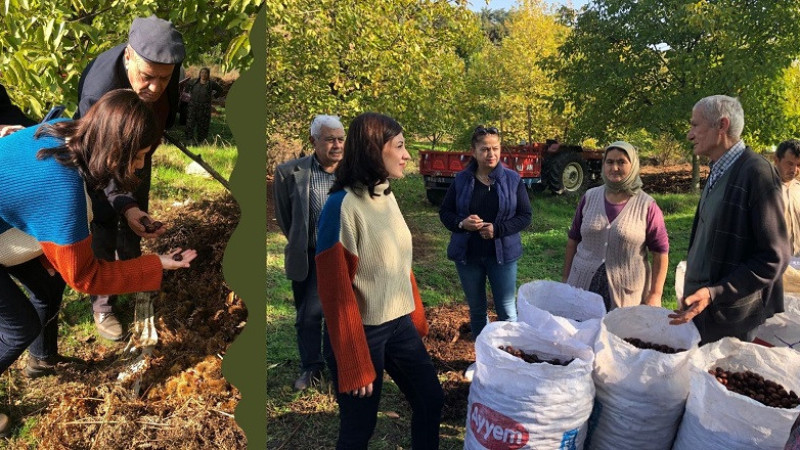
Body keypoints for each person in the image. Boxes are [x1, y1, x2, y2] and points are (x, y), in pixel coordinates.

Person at [0, 89, 196, 436]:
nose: (138, 166)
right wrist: (159, 264)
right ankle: (32, 348)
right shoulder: (61, 192)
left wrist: (128, 208)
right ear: (116, 150)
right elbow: (87, 278)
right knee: (18, 329)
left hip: (6, 223)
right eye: (138, 157)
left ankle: (42, 360)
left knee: (47, 285)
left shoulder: (66, 129)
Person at [315, 112, 443, 449]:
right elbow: (334, 290)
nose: (407, 155)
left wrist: (414, 315)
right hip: (362, 332)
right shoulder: (342, 206)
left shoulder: (384, 192)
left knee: (431, 400)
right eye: (400, 146)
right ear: (374, 149)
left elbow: (398, 259)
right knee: (359, 429)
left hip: (399, 325)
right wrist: (354, 359)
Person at [75, 15, 185, 341]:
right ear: (128, 56)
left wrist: (133, 205)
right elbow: (97, 165)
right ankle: (103, 305)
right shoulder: (97, 95)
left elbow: (168, 98)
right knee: (106, 221)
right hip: (103, 160)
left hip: (141, 146)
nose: (155, 87)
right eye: (147, 77)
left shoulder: (165, 62)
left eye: (163, 79)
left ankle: (134, 273)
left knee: (138, 215)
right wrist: (122, 203)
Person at [668, 95, 790, 344]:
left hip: (730, 319)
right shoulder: (719, 169)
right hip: (704, 310)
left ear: (721, 125)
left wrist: (715, 293)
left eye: (695, 125)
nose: (690, 135)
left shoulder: (756, 174)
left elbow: (774, 257)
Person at [273, 114, 345, 391]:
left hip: (346, 258)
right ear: (313, 141)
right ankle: (312, 369)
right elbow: (286, 219)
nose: (337, 145)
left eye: (340, 139)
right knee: (309, 316)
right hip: (311, 257)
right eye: (330, 140)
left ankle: (341, 365)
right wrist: (304, 240)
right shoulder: (289, 173)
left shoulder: (355, 174)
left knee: (344, 314)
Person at [439, 126, 532, 339]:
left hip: (503, 256)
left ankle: (510, 354)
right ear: (474, 151)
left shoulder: (512, 179)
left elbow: (525, 215)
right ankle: (484, 354)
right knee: (477, 311)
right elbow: (445, 212)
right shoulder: (462, 179)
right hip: (468, 255)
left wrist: (498, 229)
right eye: (485, 149)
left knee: (507, 311)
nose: (491, 154)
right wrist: (462, 223)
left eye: (495, 148)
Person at [562, 141, 669, 311]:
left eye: (621, 162)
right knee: (580, 335)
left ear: (633, 165)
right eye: (609, 162)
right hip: (581, 287)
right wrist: (566, 279)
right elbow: (573, 240)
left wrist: (655, 294)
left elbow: (660, 253)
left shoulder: (647, 206)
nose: (615, 167)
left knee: (618, 336)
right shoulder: (589, 197)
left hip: (626, 294)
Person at [775, 139, 800, 256]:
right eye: (790, 163)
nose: (794, 170)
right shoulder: (764, 188)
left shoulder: (798, 188)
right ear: (777, 160)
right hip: (775, 264)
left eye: (798, 165)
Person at [184, 67, 223, 142]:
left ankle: (201, 140)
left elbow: (220, 90)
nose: (203, 74)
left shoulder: (211, 83)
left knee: (203, 125)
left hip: (204, 108)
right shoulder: (194, 81)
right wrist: (188, 94)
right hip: (193, 106)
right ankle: (189, 139)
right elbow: (187, 85)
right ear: (200, 74)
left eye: (205, 73)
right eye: (202, 72)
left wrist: (214, 96)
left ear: (208, 74)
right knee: (190, 123)